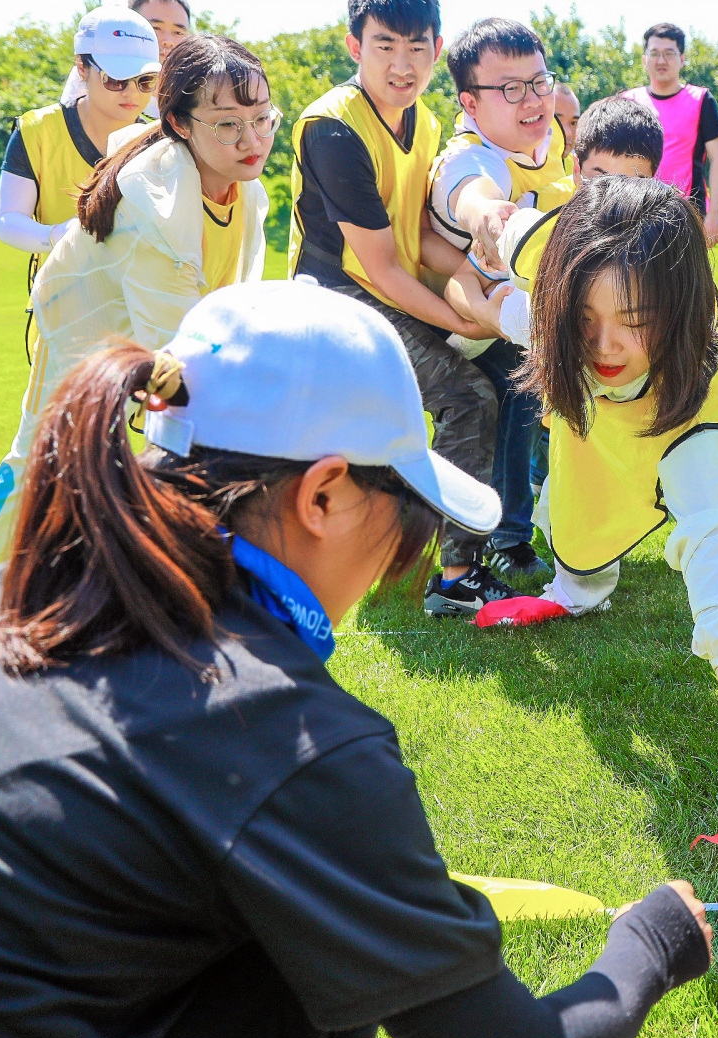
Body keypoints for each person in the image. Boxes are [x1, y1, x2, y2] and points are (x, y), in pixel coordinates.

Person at [0, 280, 715, 1038]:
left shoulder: (27, 584)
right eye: (405, 513)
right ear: (324, 494)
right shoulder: (280, 734)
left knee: (308, 933)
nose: (396, 561)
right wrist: (657, 934)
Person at [480, 177, 718, 893]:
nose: (606, 344)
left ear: (681, 310)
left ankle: (587, 575)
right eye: (587, 317)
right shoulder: (547, 259)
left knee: (625, 514)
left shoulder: (693, 400)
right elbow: (497, 219)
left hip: (641, 434)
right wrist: (480, 226)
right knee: (569, 536)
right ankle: (578, 585)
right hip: (565, 401)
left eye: (634, 319)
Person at [451, 98, 718, 529]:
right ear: (574, 168)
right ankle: (518, 539)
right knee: (537, 413)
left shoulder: (662, 228)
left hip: (664, 360)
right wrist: (498, 318)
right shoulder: (545, 220)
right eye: (599, 176)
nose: (612, 191)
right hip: (588, 370)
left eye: (632, 178)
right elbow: (464, 281)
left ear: (653, 180)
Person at [0, 34, 274, 592]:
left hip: (146, 341)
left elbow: (221, 315)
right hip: (80, 338)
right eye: (226, 123)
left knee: (123, 467)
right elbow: (176, 356)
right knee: (43, 461)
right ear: (178, 122)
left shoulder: (245, 190)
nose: (251, 139)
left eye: (262, 118)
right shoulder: (157, 202)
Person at [288, 0, 517, 619]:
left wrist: (477, 277)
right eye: (385, 44)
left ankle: (510, 533)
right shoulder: (331, 127)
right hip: (339, 301)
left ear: (438, 50)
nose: (402, 63)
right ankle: (457, 576)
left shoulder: (424, 120)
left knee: (508, 375)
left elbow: (413, 223)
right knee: (467, 397)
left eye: (417, 47)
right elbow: (380, 265)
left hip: (387, 287)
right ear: (354, 45)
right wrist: (465, 318)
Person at [424, 17, 572, 584]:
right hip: (455, 321)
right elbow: (473, 198)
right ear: (470, 102)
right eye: (510, 89)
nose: (532, 99)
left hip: (518, 304)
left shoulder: (548, 133)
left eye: (538, 81)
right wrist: (490, 217)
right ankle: (507, 536)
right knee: (518, 379)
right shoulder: (467, 158)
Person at [0, 6, 159, 285]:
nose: (132, 92)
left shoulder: (159, 142)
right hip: (58, 310)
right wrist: (57, 235)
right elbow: (8, 218)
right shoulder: (38, 131)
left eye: (145, 81)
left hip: (139, 312)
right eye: (115, 79)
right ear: (82, 68)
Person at [622, 22, 718, 246]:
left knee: (689, 281)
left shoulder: (701, 100)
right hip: (634, 216)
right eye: (654, 53)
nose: (661, 60)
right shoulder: (628, 101)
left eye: (669, 53)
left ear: (682, 59)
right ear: (644, 60)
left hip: (688, 215)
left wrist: (714, 214)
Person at [61, 0, 193, 116]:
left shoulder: (196, 85)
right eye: (155, 28)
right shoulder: (93, 74)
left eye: (178, 32)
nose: (168, 41)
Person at [553, 80, 580, 152]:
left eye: (574, 123)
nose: (568, 133)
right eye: (557, 121)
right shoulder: (522, 161)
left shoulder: (575, 162)